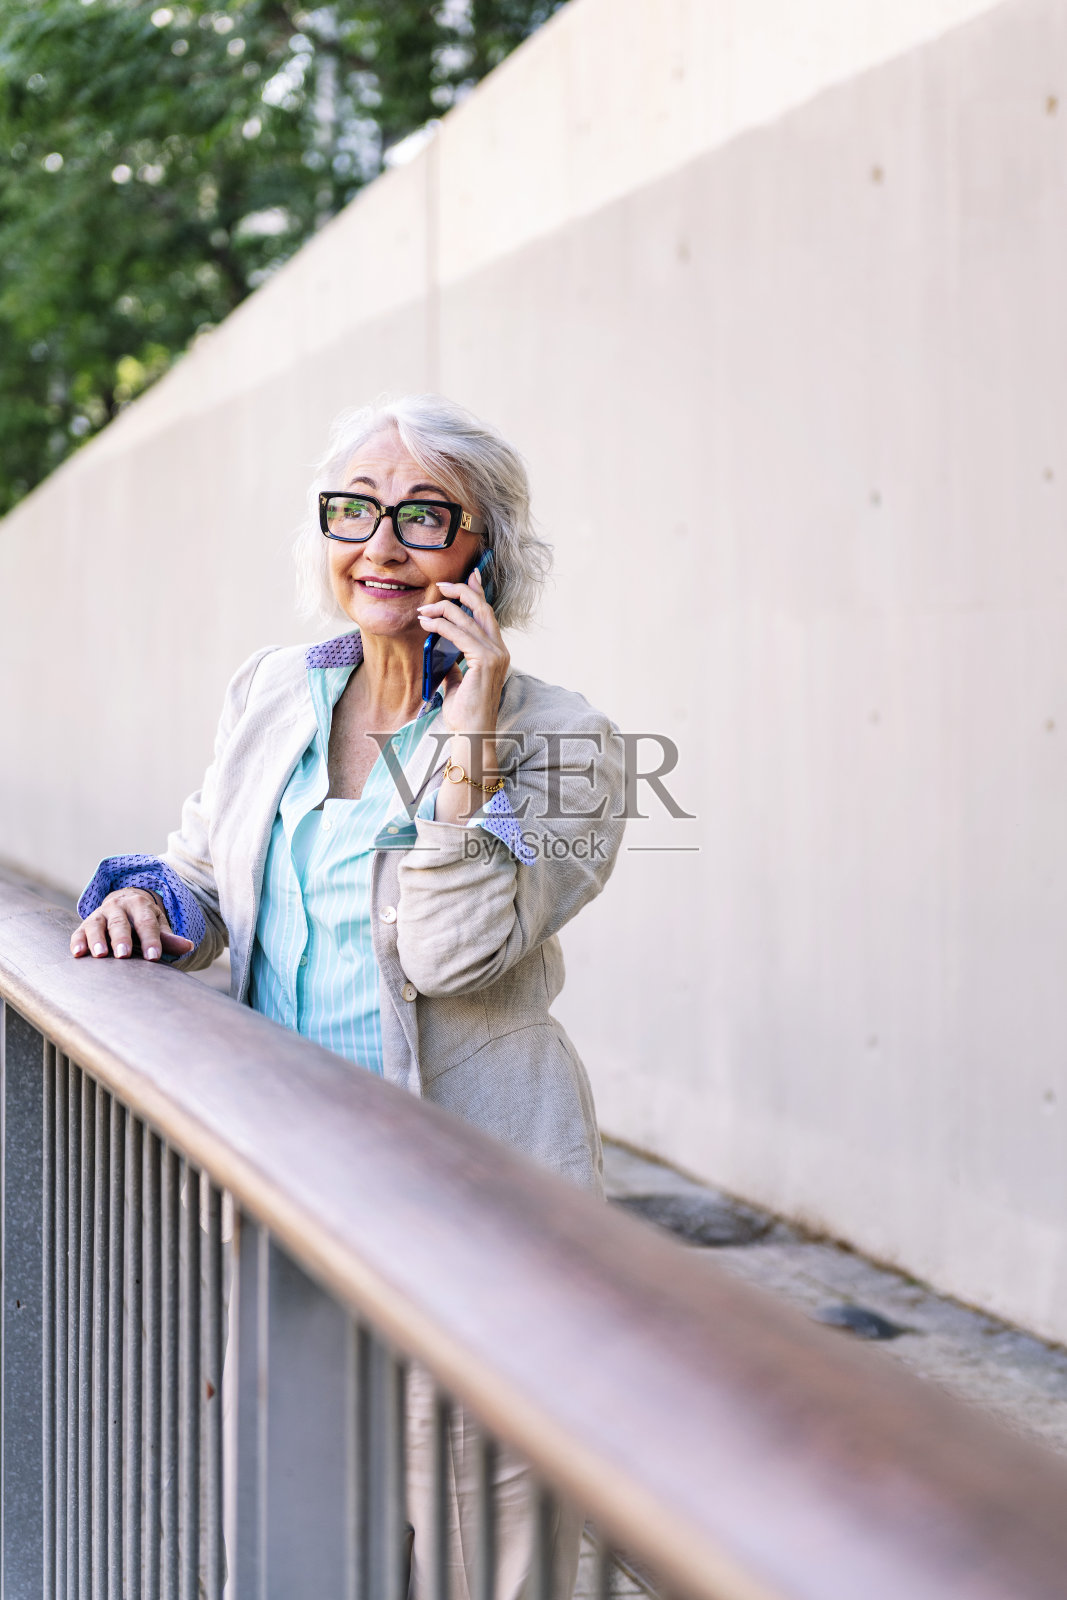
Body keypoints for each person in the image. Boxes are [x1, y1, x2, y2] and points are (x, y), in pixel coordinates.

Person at [70, 393, 625, 1597]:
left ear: (484, 551)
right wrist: (152, 903)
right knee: (299, 1535)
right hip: (286, 1191)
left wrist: (466, 730)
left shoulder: (565, 743)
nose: (380, 542)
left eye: (423, 515)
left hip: (470, 1202)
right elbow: (210, 865)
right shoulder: (276, 687)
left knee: (492, 1546)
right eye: (353, 510)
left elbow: (449, 951)